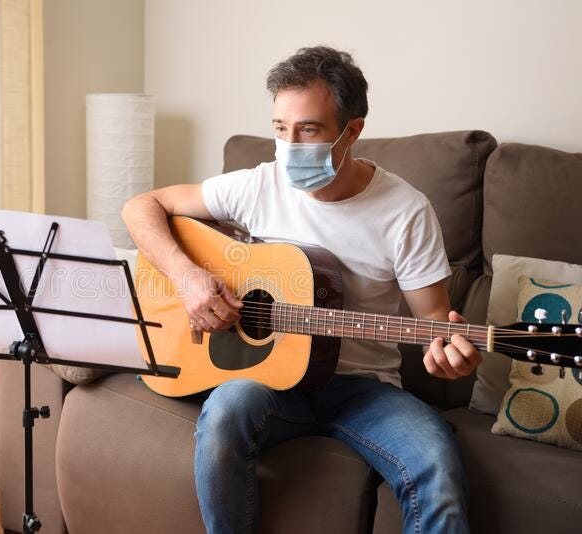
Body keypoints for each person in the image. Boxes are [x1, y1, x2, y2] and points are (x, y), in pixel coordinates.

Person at [121, 45, 481, 534]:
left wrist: (450, 352)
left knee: (437, 459)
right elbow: (142, 207)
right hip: (269, 381)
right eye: (279, 129)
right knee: (226, 409)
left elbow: (435, 320)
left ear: (352, 130)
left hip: (362, 389)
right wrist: (189, 278)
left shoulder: (405, 210)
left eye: (308, 130)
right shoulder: (256, 186)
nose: (289, 146)